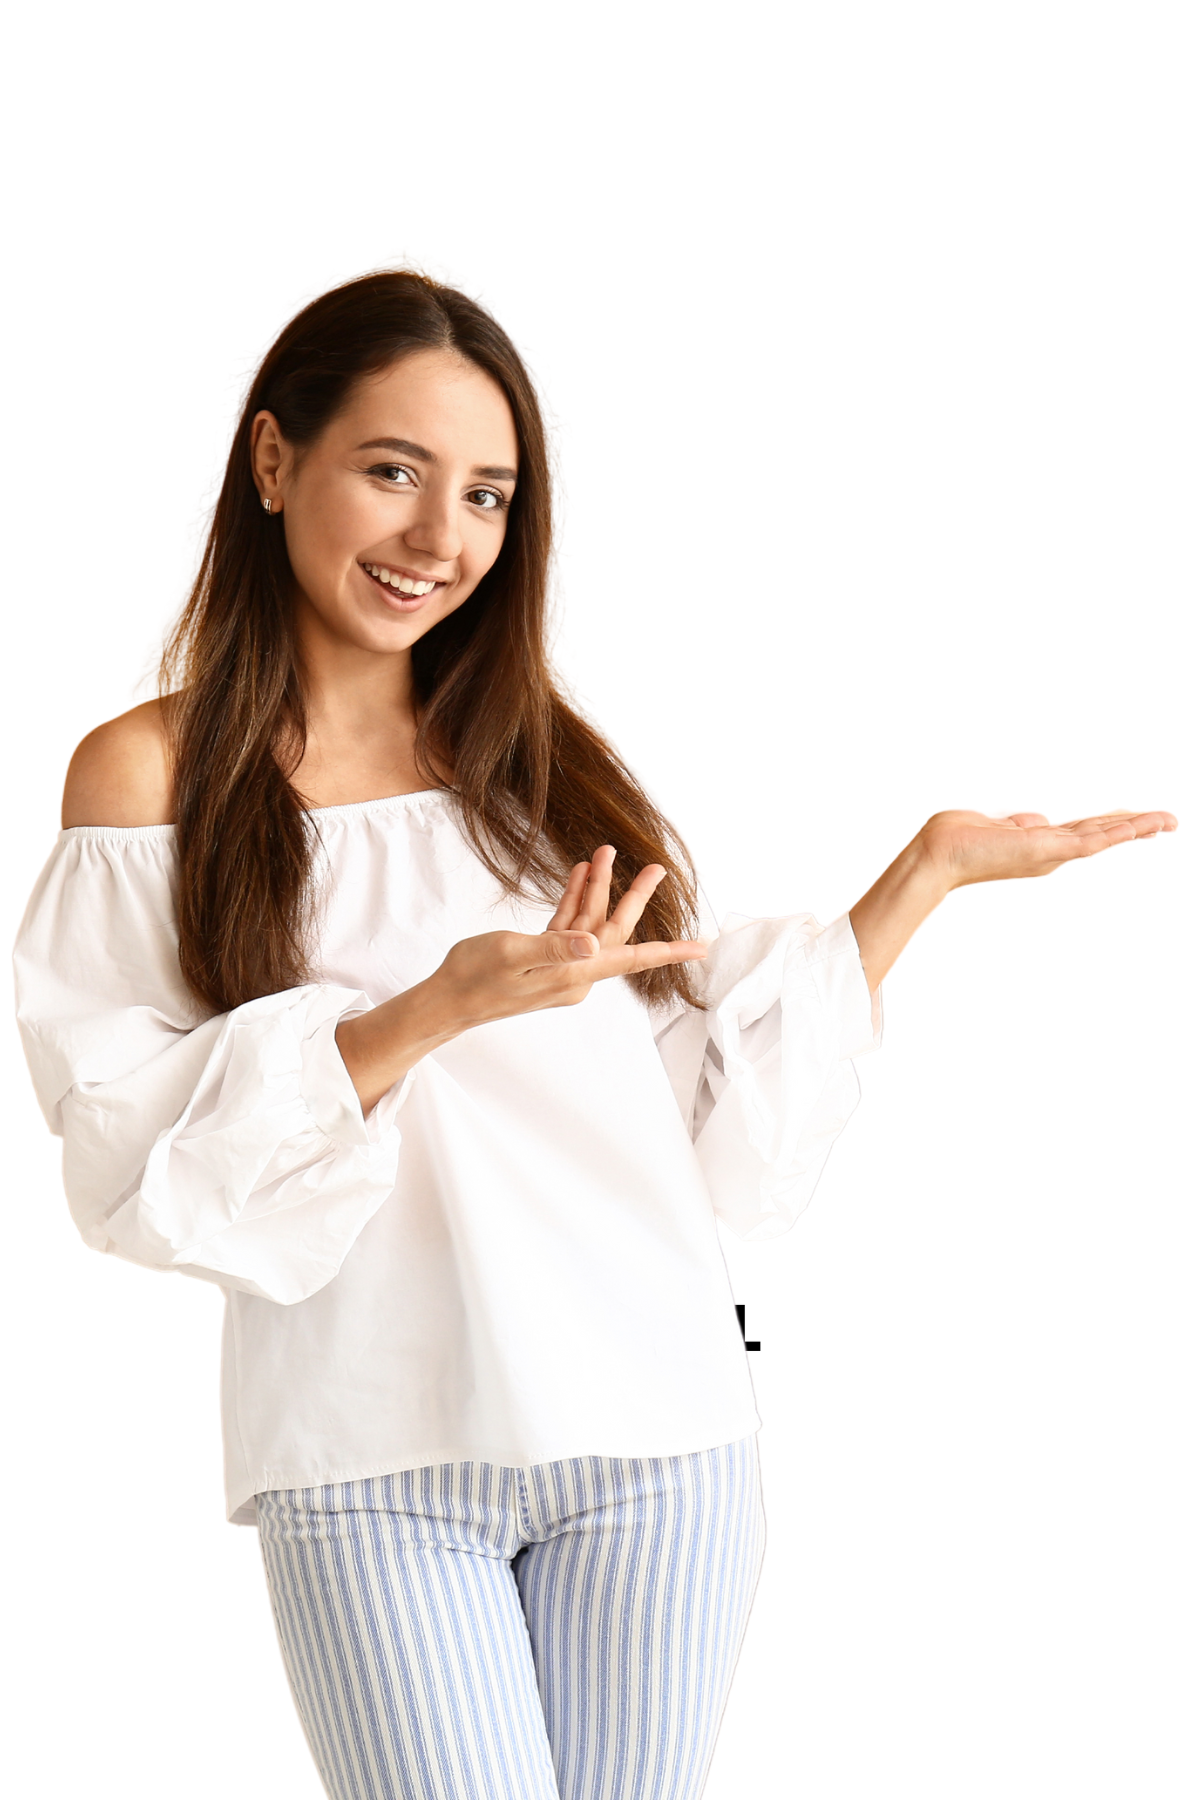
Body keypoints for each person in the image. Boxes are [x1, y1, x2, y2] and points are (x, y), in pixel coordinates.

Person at [13, 270, 1175, 1800]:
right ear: (275, 461)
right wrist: (433, 1012)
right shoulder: (150, 777)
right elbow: (134, 1163)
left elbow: (695, 1107)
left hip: (662, 1439)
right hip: (373, 1459)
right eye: (393, 471)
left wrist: (923, 880)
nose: (441, 538)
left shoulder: (533, 764)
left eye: (487, 494)